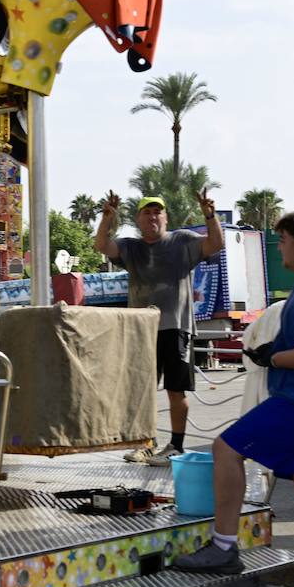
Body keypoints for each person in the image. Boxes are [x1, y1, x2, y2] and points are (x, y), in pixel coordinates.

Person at [172, 209, 294, 587]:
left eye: (285, 240)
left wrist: (276, 358)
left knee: (226, 449)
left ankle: (223, 546)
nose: (282, 247)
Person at [95, 190, 224, 465]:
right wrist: (107, 218)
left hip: (176, 327)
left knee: (176, 390)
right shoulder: (132, 247)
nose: (153, 216)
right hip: (142, 330)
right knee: (142, 390)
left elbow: (215, 244)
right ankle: (146, 444)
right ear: (139, 220)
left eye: (158, 212)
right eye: (147, 212)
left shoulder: (183, 241)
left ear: (165, 217)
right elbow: (102, 245)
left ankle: (176, 446)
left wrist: (210, 215)